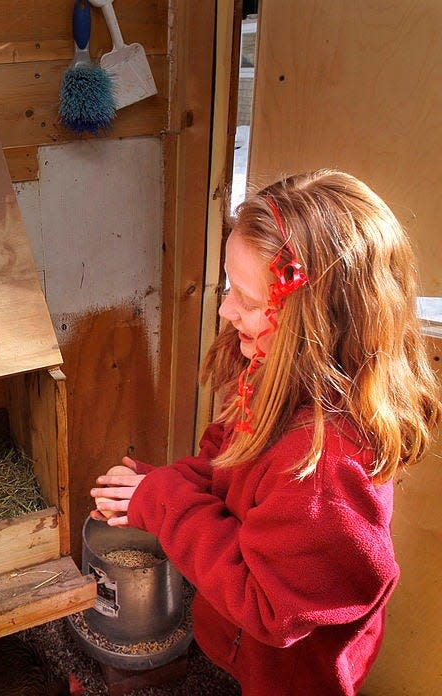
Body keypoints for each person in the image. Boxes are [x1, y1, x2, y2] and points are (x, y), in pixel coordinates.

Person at [90, 170, 440, 695]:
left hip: (290, 677)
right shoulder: (276, 371)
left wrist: (164, 502)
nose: (227, 310)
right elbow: (229, 457)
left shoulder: (325, 469)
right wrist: (162, 487)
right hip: (240, 649)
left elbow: (268, 606)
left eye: (249, 302)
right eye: (230, 287)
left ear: (316, 324)